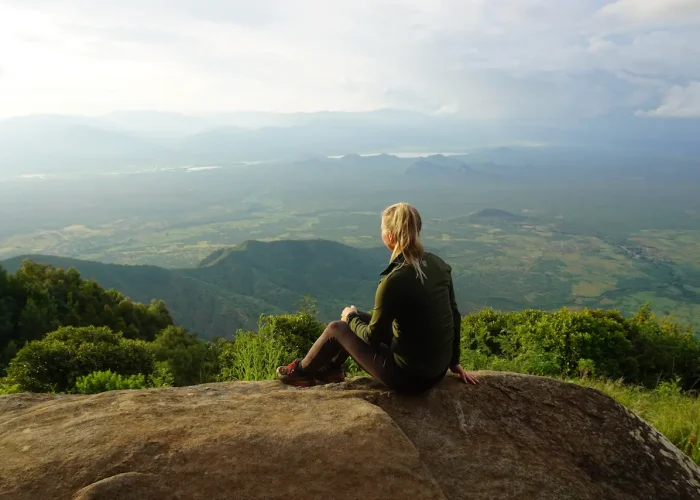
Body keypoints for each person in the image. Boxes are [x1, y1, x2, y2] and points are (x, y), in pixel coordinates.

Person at [276, 202, 478, 394]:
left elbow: (373, 339)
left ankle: (301, 373)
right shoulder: (438, 264)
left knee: (337, 328)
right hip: (437, 371)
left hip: (410, 380)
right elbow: (454, 315)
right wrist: (454, 361)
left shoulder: (393, 281)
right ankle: (332, 369)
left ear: (390, 236)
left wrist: (350, 317)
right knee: (364, 318)